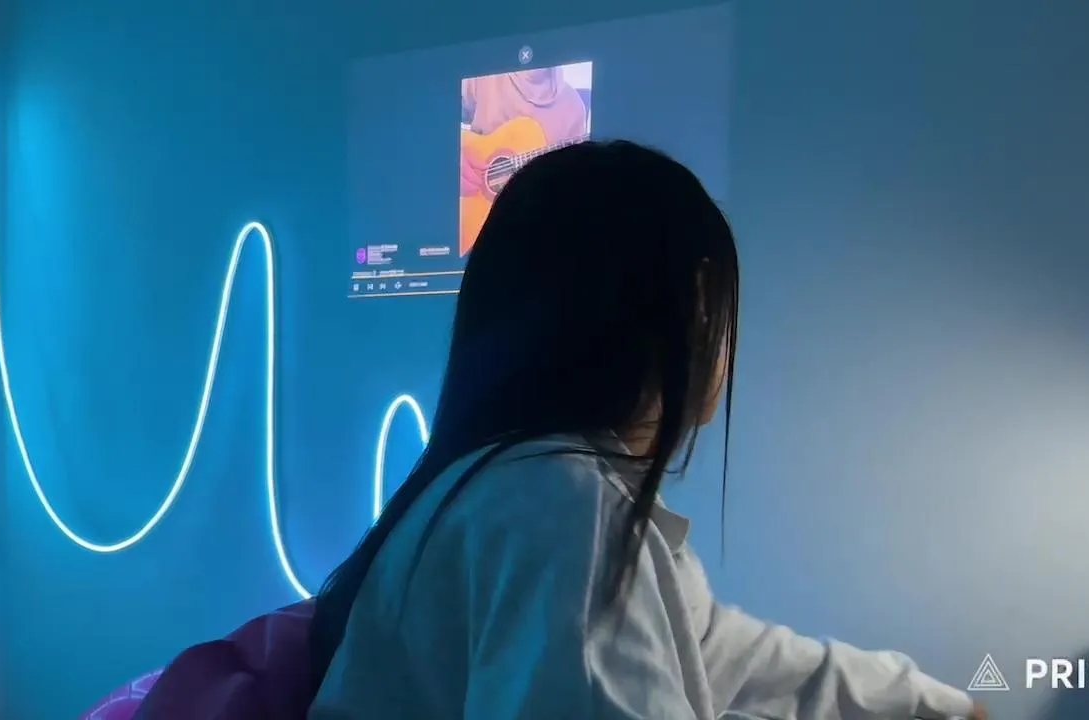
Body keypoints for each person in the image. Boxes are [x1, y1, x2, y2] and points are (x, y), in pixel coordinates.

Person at [307, 141, 986, 720]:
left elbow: (743, 661)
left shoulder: (500, 489)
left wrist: (940, 705)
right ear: (697, 304)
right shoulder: (563, 507)